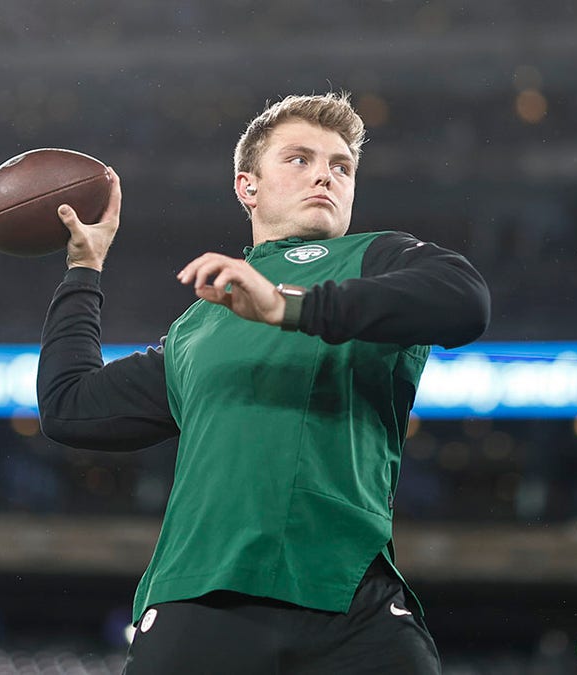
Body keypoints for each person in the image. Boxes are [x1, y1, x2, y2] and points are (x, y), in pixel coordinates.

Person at [37, 92, 490, 674]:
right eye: (299, 159)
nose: (325, 174)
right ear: (247, 186)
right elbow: (70, 408)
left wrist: (287, 306)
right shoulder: (197, 325)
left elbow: (465, 301)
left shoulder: (381, 257)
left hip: (348, 595)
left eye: (341, 166)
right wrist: (83, 268)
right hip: (199, 595)